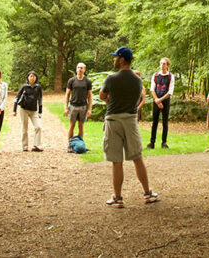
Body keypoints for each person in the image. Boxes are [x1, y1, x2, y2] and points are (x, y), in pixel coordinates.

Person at [101, 47, 160, 208]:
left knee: (116, 160)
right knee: (137, 157)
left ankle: (118, 197)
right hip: (131, 120)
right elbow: (136, 99)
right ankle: (147, 193)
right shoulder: (137, 80)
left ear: (121, 59)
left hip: (113, 119)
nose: (114, 60)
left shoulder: (111, 78)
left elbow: (102, 95)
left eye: (115, 57)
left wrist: (110, 102)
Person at [65, 62, 94, 151]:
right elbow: (67, 95)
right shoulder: (71, 81)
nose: (79, 69)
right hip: (73, 106)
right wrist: (66, 108)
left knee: (81, 126)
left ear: (84, 69)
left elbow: (90, 96)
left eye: (81, 68)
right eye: (78, 67)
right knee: (71, 125)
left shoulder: (87, 81)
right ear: (76, 69)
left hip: (83, 107)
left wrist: (89, 109)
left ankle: (80, 143)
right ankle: (70, 145)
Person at [13, 70, 44, 152]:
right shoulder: (24, 87)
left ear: (36, 78)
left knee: (38, 127)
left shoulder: (38, 87)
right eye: (31, 76)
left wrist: (40, 111)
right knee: (25, 127)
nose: (32, 78)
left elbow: (40, 100)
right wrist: (14, 109)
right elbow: (17, 98)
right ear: (28, 77)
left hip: (34, 110)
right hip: (24, 109)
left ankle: (37, 145)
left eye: (34, 76)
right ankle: (25, 146)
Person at [148, 57, 175, 149]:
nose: (162, 65)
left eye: (164, 64)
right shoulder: (155, 76)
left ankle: (164, 142)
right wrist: (157, 100)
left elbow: (170, 92)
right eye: (161, 63)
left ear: (167, 66)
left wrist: (161, 100)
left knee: (165, 122)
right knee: (154, 122)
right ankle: (152, 142)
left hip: (165, 101)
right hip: (156, 100)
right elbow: (152, 89)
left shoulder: (171, 76)